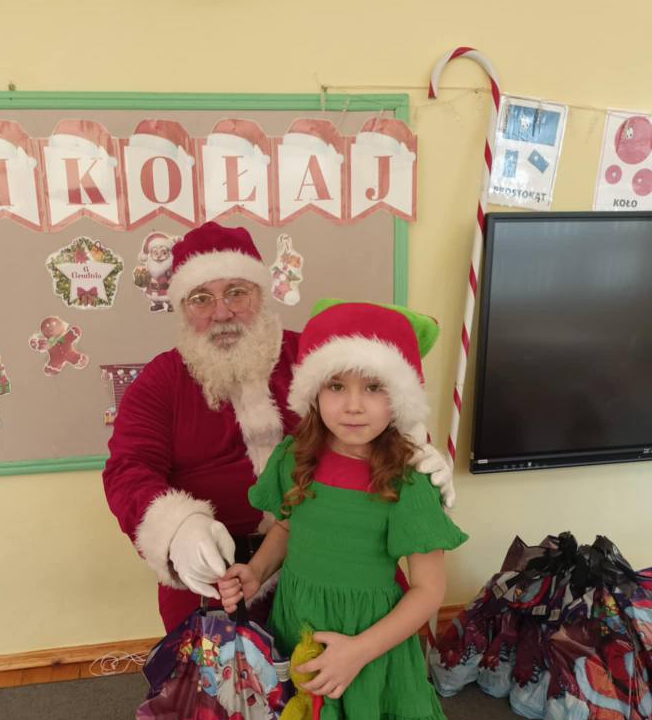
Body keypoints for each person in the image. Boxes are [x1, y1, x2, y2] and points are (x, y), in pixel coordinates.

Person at [217, 299, 468, 720]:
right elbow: (284, 529)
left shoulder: (409, 481)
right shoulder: (296, 459)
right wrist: (255, 572)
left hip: (370, 652)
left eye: (373, 386)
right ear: (313, 390)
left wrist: (358, 652)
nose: (353, 405)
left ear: (400, 395)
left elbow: (427, 593)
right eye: (336, 384)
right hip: (301, 637)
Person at [103, 221, 456, 633]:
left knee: (365, 662)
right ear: (183, 309)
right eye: (201, 299)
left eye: (237, 292)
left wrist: (418, 451)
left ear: (261, 293)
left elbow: (385, 403)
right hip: (220, 578)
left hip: (340, 560)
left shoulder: (319, 358)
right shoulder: (160, 381)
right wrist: (177, 527)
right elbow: (128, 469)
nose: (222, 312)